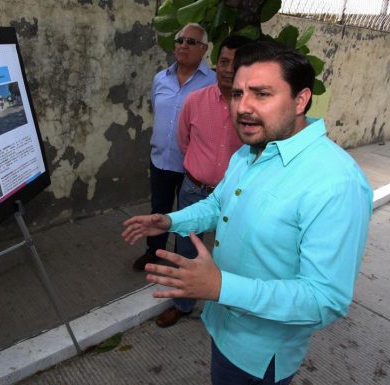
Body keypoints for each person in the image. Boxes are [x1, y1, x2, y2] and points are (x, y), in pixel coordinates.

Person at [122, 40, 372, 385]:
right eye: (238, 94)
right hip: (223, 325)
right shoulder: (251, 151)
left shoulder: (336, 182)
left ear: (300, 100)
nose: (243, 107)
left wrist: (221, 286)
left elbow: (324, 299)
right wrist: (170, 221)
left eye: (262, 94)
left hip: (260, 356)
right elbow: (218, 205)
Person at [154, 34, 253, 328]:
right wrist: (201, 168)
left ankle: (228, 307)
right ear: (215, 62)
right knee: (185, 250)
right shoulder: (195, 101)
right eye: (223, 62)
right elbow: (184, 140)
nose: (227, 69)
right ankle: (182, 304)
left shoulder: (251, 109)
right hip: (194, 190)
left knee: (232, 252)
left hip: (238, 196)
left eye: (235, 64)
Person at [133, 22, 216, 272]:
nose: (183, 46)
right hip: (160, 160)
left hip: (191, 166)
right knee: (158, 210)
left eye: (191, 42)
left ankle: (185, 265)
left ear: (204, 49)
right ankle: (153, 252)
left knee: (188, 218)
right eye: (180, 40)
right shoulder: (161, 78)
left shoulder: (212, 83)